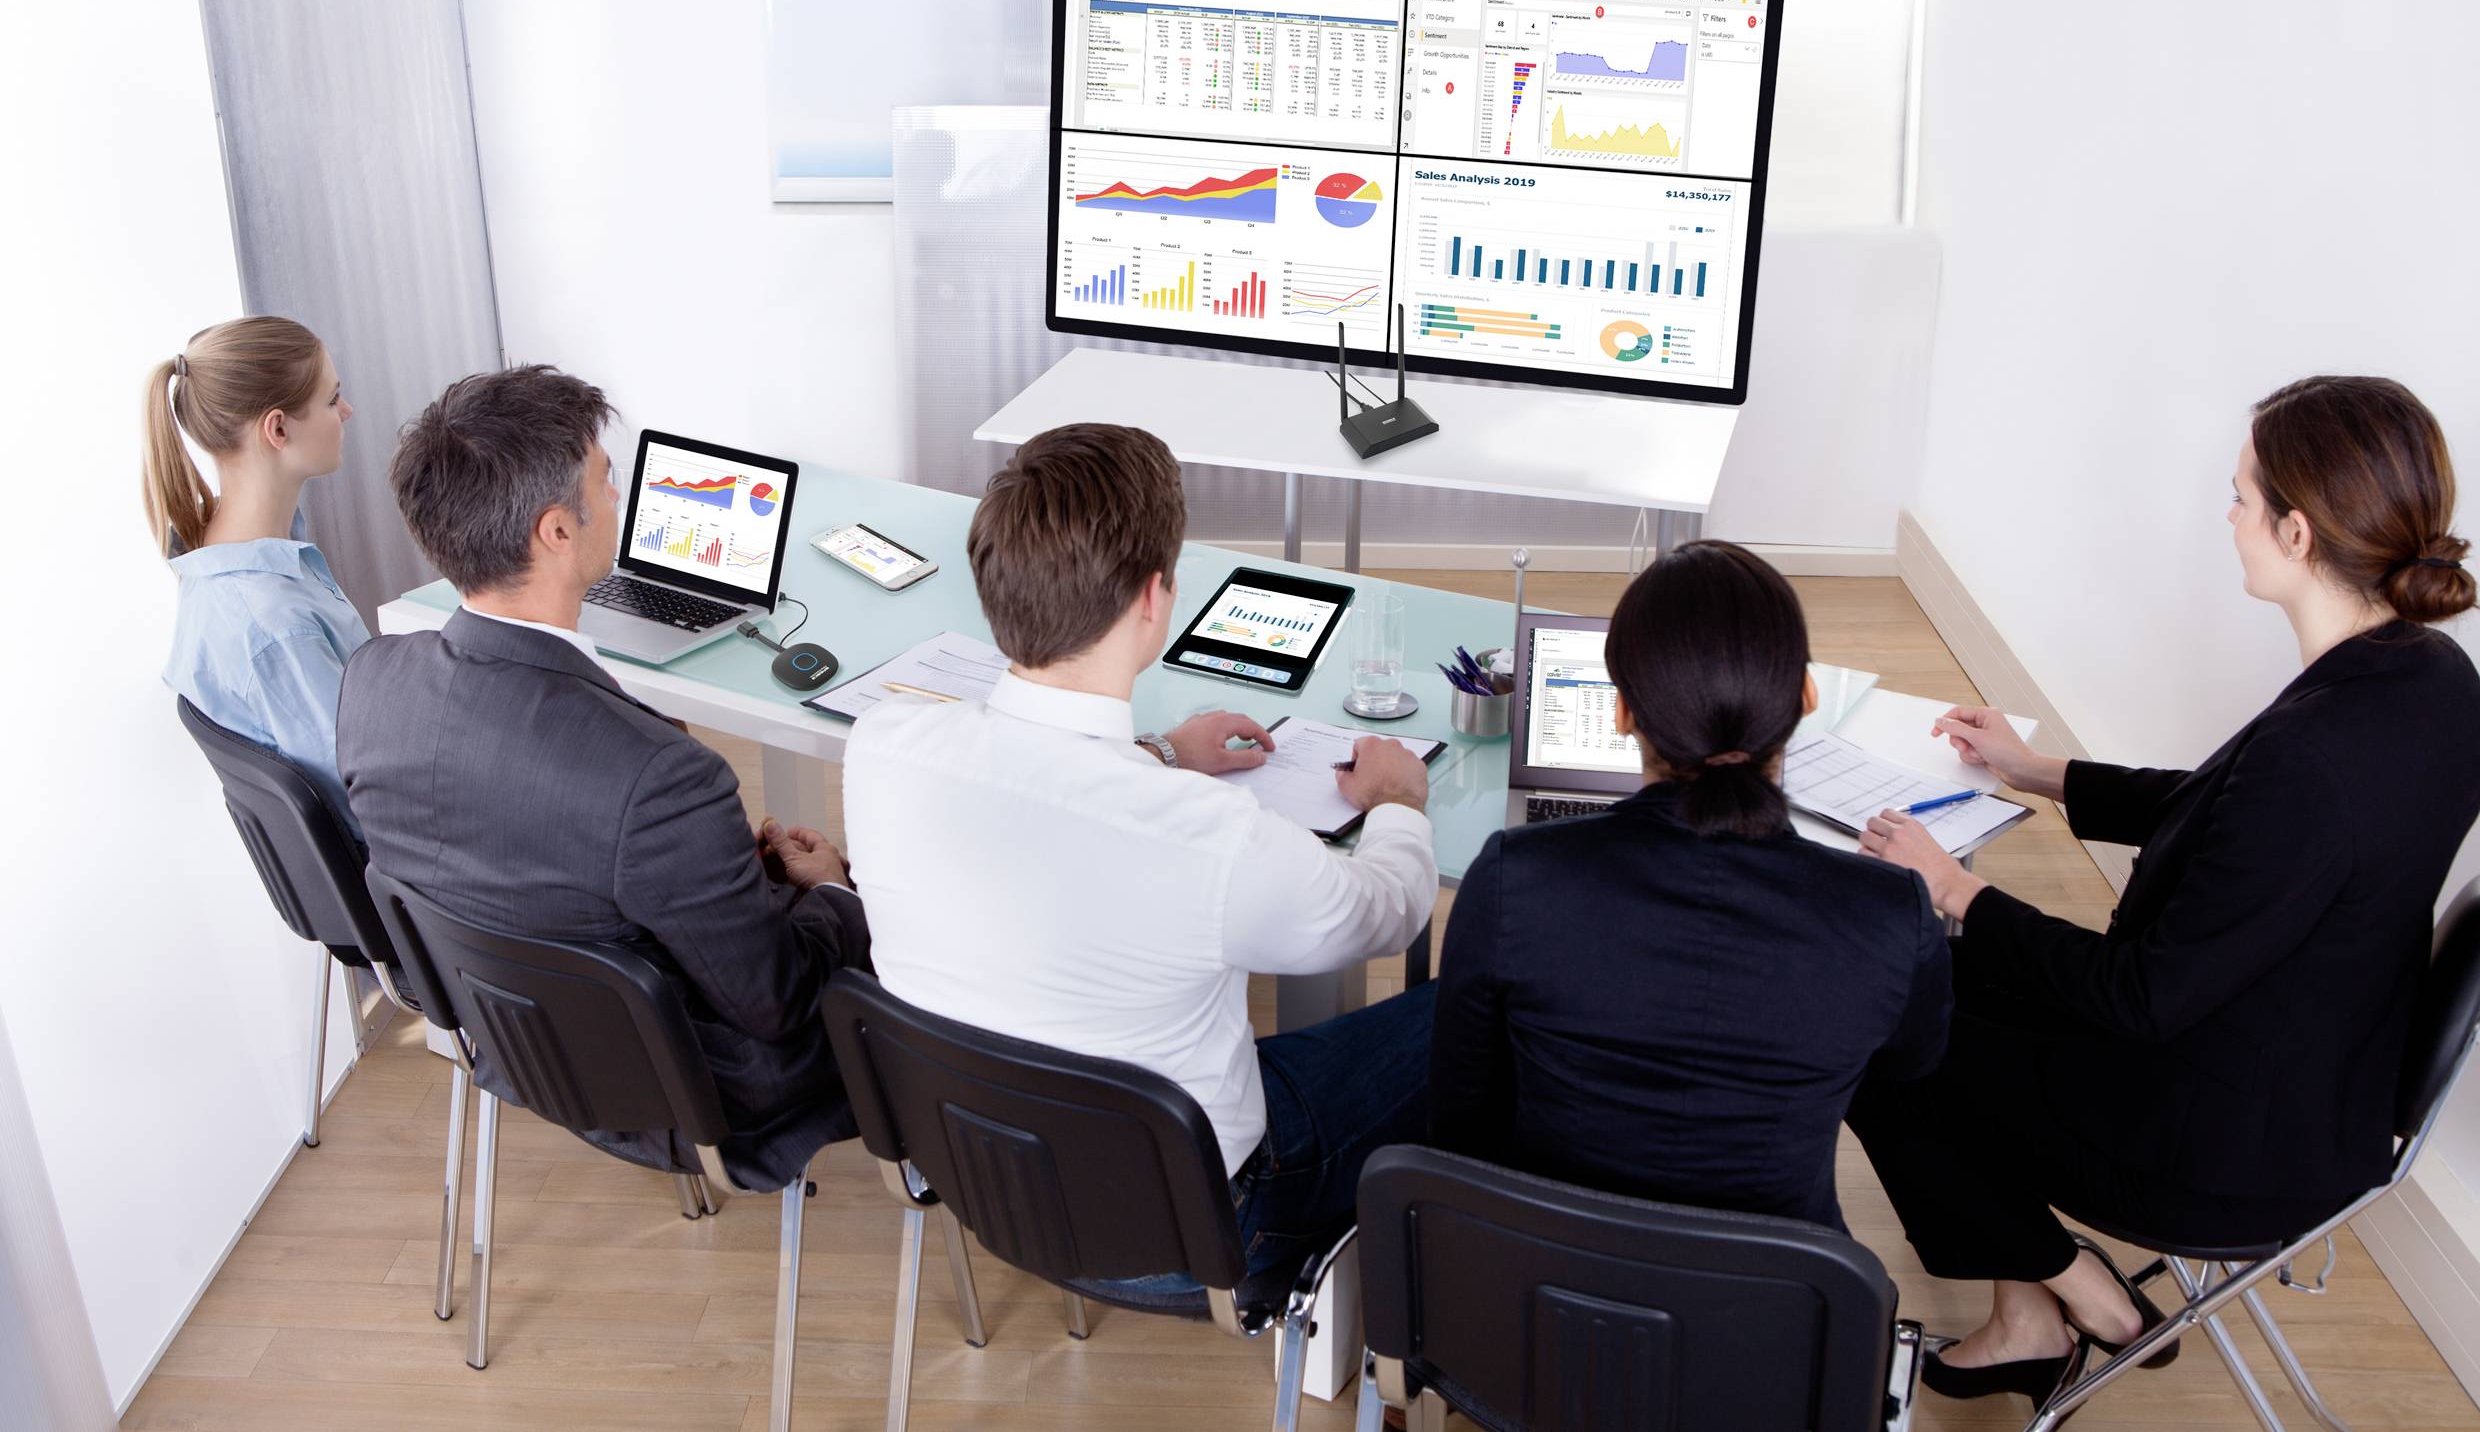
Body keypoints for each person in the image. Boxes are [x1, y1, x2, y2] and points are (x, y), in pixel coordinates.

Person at [1849, 374, 2480, 1406]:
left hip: (2217, 1140)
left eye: (2238, 496)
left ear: (2293, 530)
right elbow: (2231, 815)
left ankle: (2079, 1292)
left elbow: (2136, 996)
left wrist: (1958, 893)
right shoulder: (2424, 680)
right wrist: (2037, 772)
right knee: (1925, 976)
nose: (2224, 516)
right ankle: (2020, 1320)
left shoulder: (2312, 759)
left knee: (1878, 1020)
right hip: (2309, 1077)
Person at [843, 422, 1438, 1277]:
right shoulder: (1209, 834)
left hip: (978, 1172)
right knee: (1469, 1013)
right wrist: (1397, 804)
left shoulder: (884, 744)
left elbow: (1050, 804)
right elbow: (1382, 912)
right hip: (1195, 1225)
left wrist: (1155, 751)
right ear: (1154, 598)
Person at [338, 366, 868, 1188]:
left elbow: (522, 850)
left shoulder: (372, 680)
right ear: (556, 531)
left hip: (517, 1047)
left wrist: (717, 873)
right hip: (700, 1096)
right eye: (605, 478)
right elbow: (779, 1001)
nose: (619, 498)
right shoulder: (661, 779)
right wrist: (836, 892)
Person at [1429, 540, 1951, 1231]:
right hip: (1776, 1312)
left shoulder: (1513, 878)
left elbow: (1461, 1112)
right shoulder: (1893, 913)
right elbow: (1906, 1069)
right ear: (1806, 694)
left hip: (1541, 1287)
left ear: (1621, 714)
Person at [148, 316, 369, 834]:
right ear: (278, 428)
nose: (347, 411)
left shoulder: (216, 554)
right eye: (333, 399)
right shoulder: (274, 625)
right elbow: (370, 802)